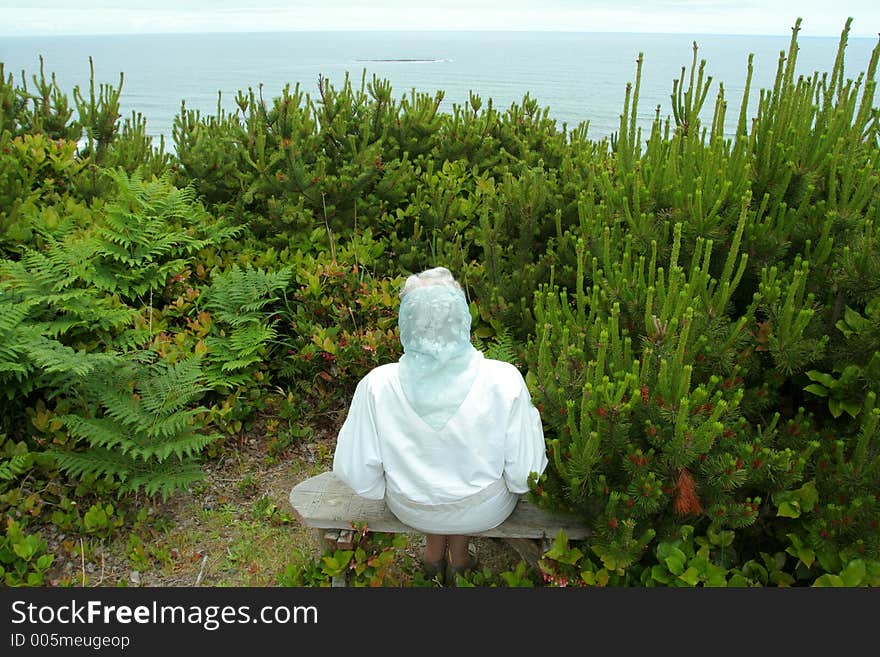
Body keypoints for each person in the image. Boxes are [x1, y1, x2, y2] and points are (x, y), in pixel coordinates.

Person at [332, 266, 548, 584]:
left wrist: (400, 486)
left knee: (436, 485)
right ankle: (459, 558)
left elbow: (358, 473)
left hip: (411, 506)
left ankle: (433, 554)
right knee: (463, 490)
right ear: (462, 318)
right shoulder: (503, 379)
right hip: (485, 507)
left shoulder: (378, 384)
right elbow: (523, 476)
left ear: (407, 322)